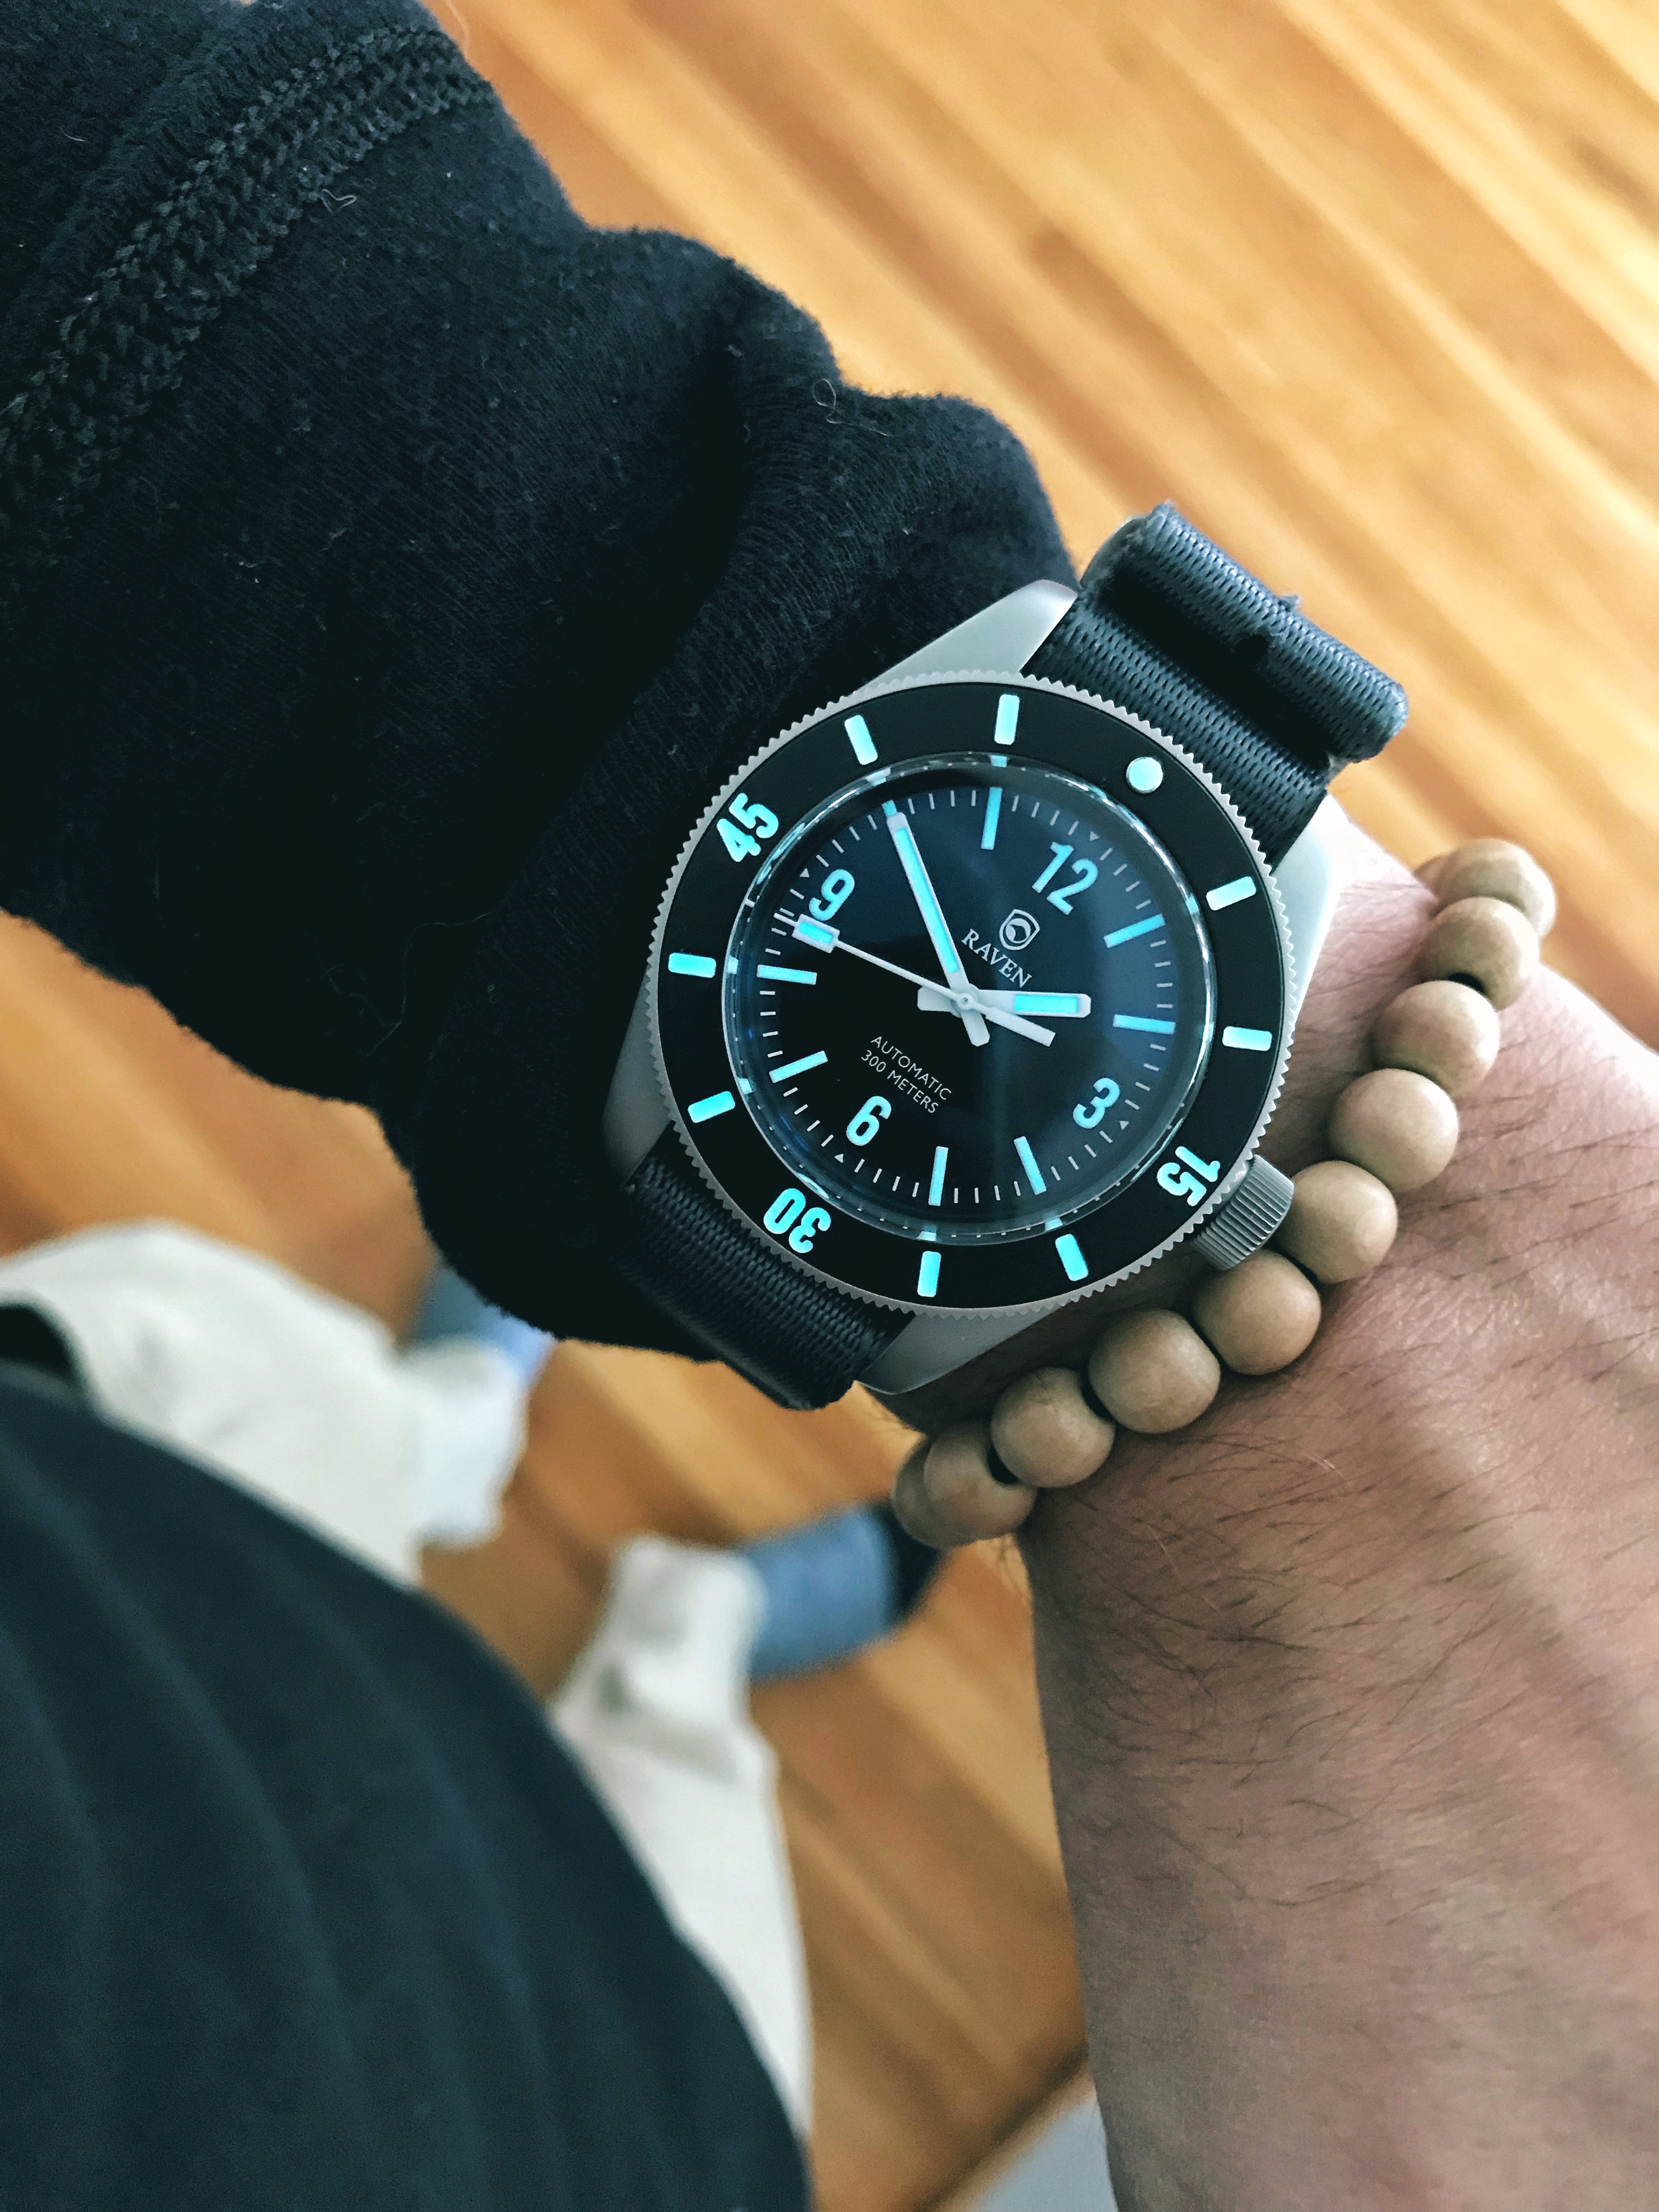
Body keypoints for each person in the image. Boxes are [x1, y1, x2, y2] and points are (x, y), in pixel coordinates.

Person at [1, 0, 1654, 2207]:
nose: (961, 1002)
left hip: (128, 1608)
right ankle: (656, 1623)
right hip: (636, 2080)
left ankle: (440, 1433)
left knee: (247, 1403)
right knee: (637, 1802)